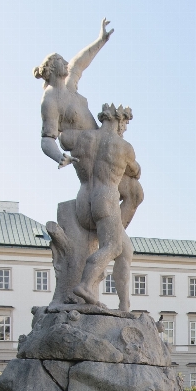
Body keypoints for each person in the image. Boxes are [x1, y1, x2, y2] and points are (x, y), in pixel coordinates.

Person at [60, 103, 140, 312]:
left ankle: (124, 305)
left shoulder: (82, 138)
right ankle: (86, 285)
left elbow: (64, 140)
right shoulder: (123, 147)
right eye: (125, 124)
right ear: (120, 121)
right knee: (113, 246)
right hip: (105, 198)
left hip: (83, 200)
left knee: (125, 250)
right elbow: (135, 171)